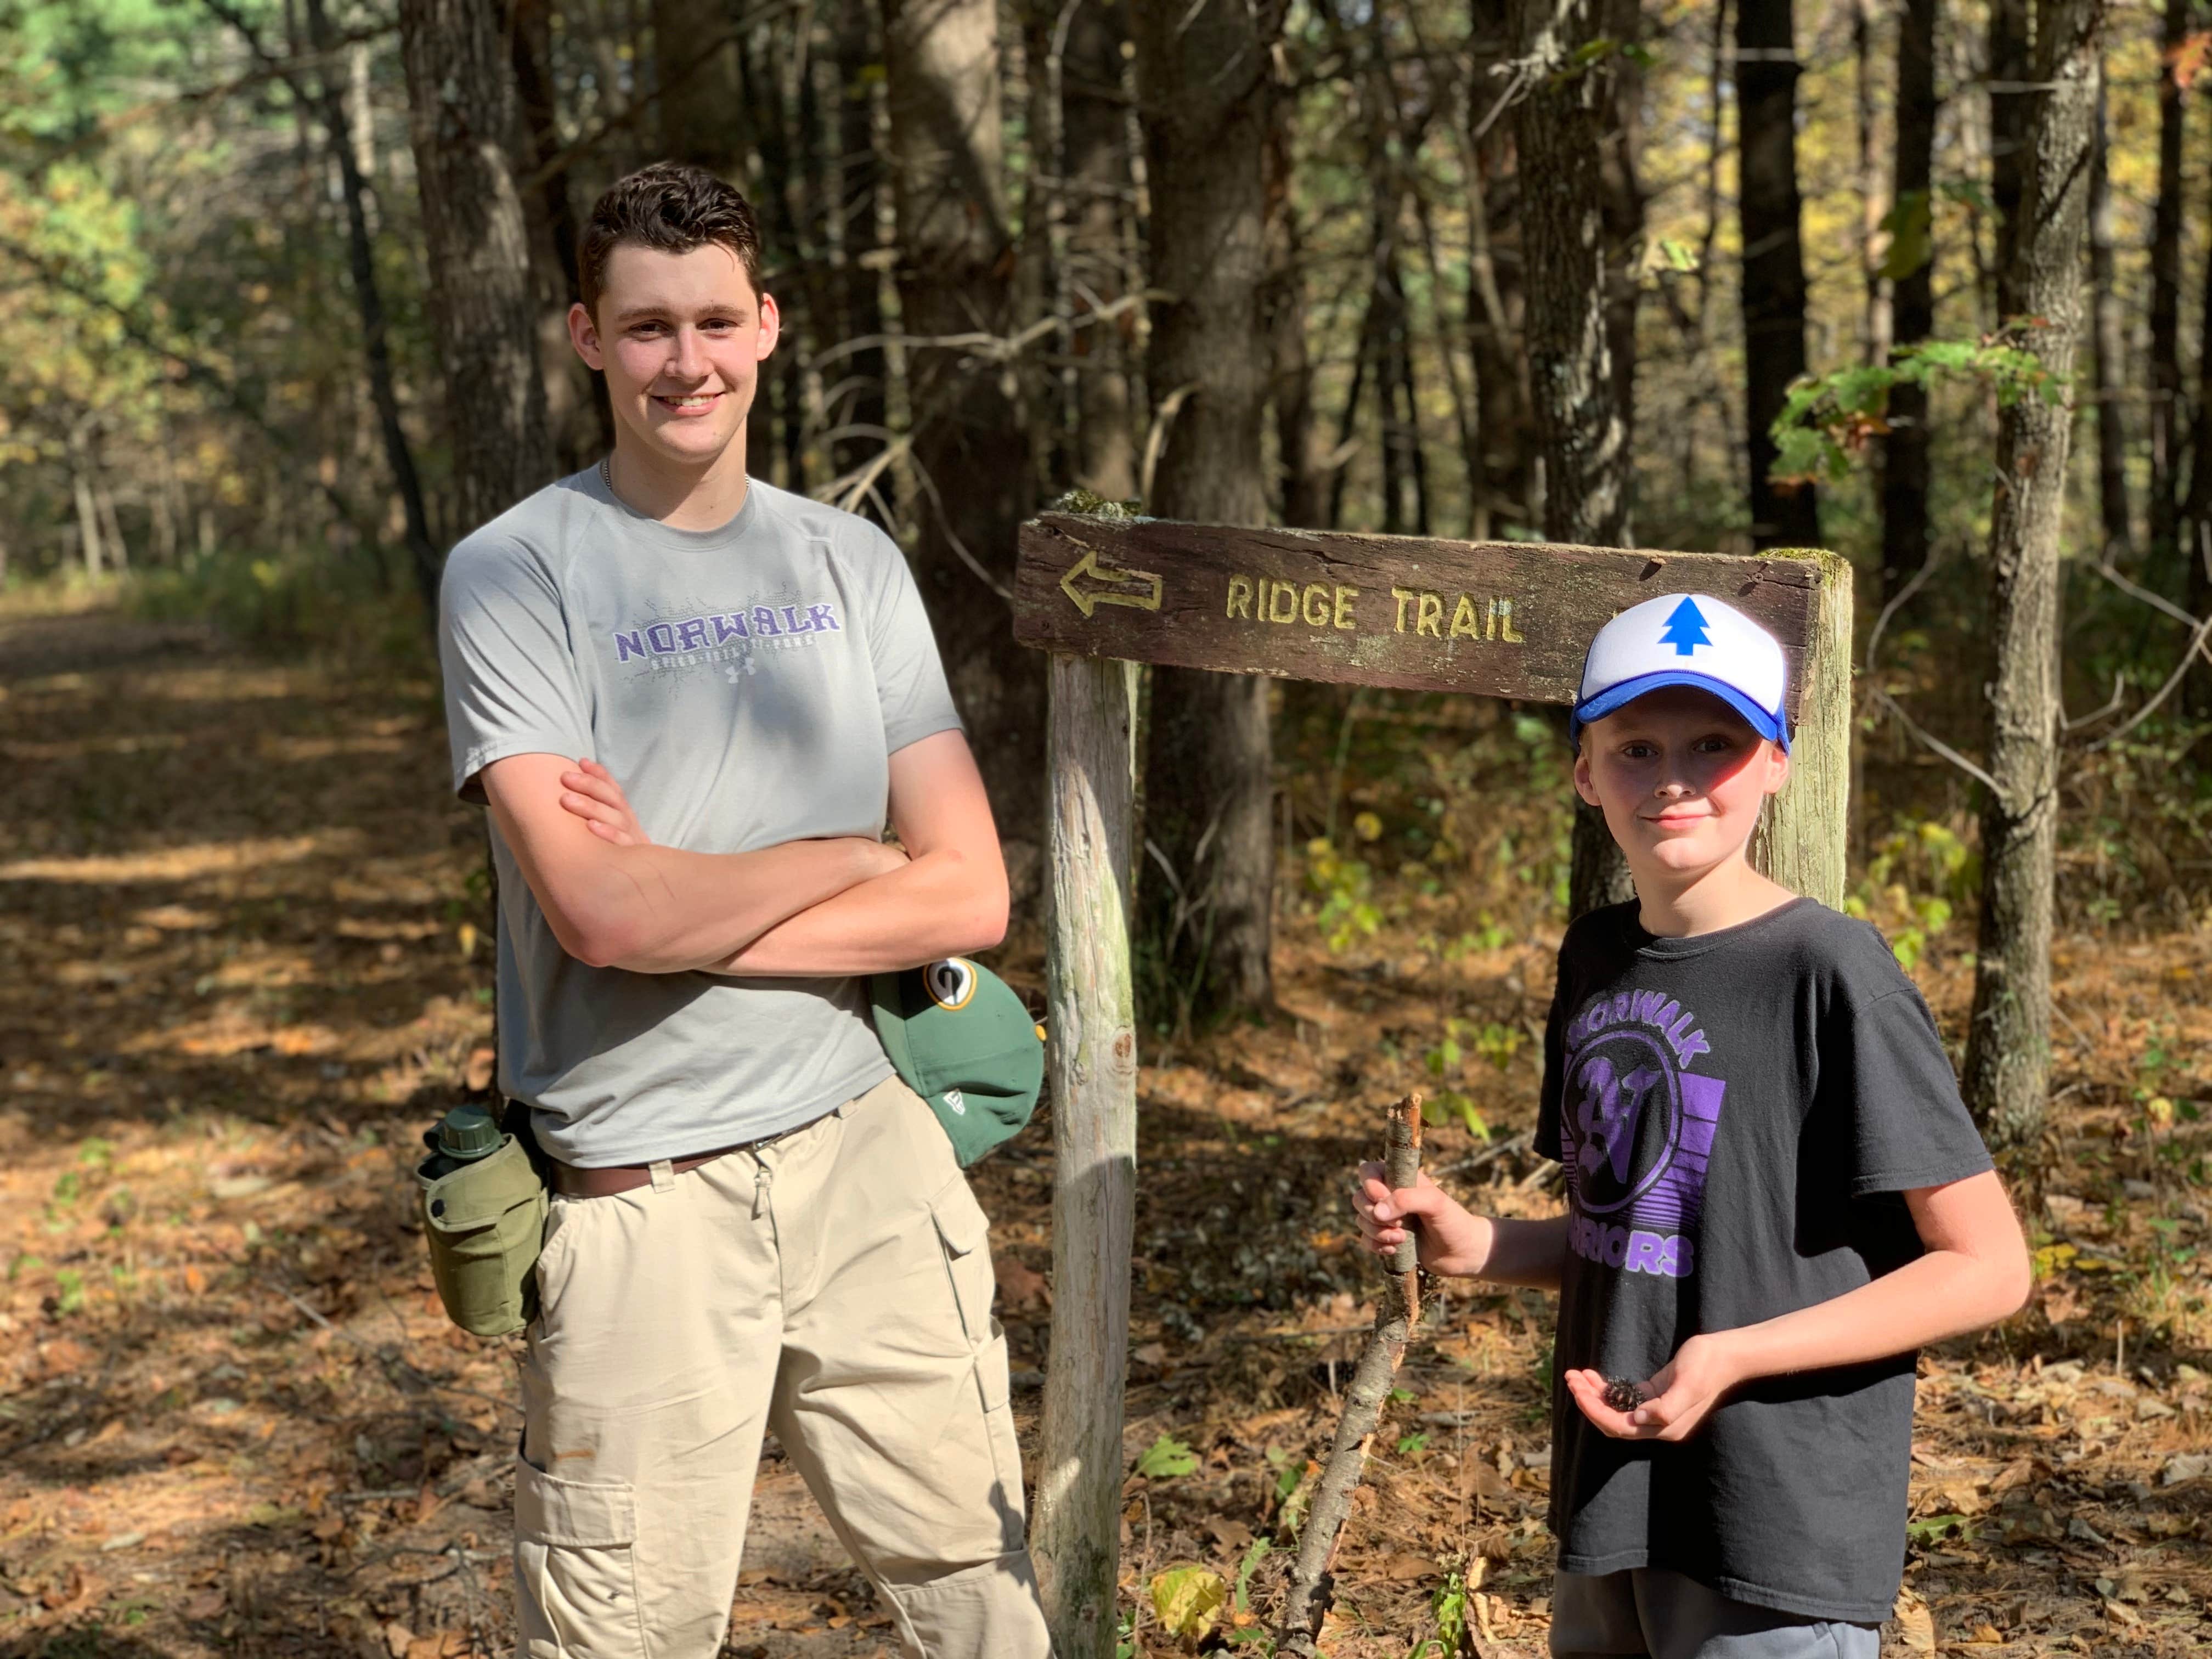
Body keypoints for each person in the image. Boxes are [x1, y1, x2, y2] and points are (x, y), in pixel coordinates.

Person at [436, 161, 1052, 1659]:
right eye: (648, 328)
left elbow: (972, 889)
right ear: (588, 337)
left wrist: (686, 900)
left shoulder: (848, 562)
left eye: (717, 320)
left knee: (988, 1609)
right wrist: (853, 861)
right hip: (642, 1198)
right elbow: (598, 915)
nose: (686, 362)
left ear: (769, 325)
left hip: (873, 1159)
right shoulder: (516, 574)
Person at [1351, 593, 2031, 1659]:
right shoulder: (1595, 960)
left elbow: (1989, 1267)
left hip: (1774, 1522)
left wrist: (1733, 1358)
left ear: (1776, 763)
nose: (1672, 777)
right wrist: (1480, 1245)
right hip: (1613, 1501)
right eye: (1635, 746)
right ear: (1584, 773)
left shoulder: (1831, 971)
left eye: (1714, 742)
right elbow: (1632, 1234)